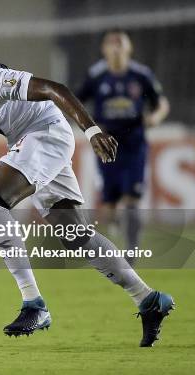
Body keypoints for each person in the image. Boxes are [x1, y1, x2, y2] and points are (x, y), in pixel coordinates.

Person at [0, 54, 174, 347]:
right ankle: (148, 299)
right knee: (75, 236)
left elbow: (55, 89)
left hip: (46, 133)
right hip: (30, 140)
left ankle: (34, 304)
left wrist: (92, 131)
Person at [76, 29, 170, 261]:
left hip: (134, 144)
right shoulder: (96, 76)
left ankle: (132, 251)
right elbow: (76, 103)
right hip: (106, 145)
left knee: (132, 198)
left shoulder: (141, 75)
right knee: (109, 205)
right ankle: (118, 227)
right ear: (104, 50)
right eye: (111, 43)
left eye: (120, 44)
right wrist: (92, 128)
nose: (116, 48)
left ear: (129, 48)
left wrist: (155, 118)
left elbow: (161, 103)